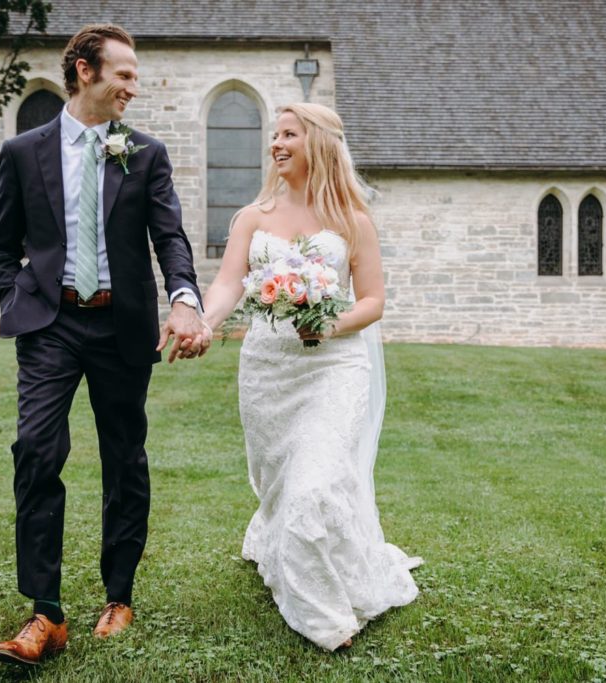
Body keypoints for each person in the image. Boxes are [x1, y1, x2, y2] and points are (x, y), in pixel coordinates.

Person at [0, 24, 210, 666]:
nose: (133, 88)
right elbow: (3, 247)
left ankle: (118, 594)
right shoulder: (23, 152)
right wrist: (19, 300)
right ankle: (45, 614)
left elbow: (170, 239)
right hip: (51, 325)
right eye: (125, 75)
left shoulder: (145, 153)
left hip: (121, 326)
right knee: (35, 449)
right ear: (85, 71)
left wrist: (185, 298)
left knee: (124, 457)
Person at [202, 103, 422, 651]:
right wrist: (206, 321)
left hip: (334, 367)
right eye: (274, 135)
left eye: (289, 135)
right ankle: (289, 546)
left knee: (313, 487)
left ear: (318, 143)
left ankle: (324, 618)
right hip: (268, 371)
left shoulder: (353, 222)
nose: (276, 144)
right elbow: (230, 283)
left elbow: (372, 301)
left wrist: (328, 325)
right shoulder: (253, 217)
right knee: (282, 487)